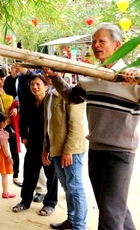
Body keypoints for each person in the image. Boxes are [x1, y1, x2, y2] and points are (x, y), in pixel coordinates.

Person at [44, 23, 140, 230]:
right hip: (96, 152)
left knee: (110, 217)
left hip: (120, 154)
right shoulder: (91, 76)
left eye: (101, 41)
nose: (96, 45)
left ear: (117, 45)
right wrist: (55, 78)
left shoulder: (132, 79)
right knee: (116, 211)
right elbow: (72, 96)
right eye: (93, 41)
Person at [42, 75, 87, 230]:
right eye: (46, 73)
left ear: (61, 74)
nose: (48, 76)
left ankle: (79, 226)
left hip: (70, 150)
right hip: (55, 149)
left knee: (75, 187)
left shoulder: (71, 93)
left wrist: (69, 151)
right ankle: (71, 220)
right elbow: (48, 126)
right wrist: (45, 148)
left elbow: (76, 125)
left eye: (52, 73)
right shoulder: (49, 96)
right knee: (67, 187)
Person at [12, 73, 58, 217]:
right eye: (32, 84)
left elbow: (57, 125)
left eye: (38, 84)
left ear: (46, 86)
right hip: (33, 143)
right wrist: (24, 137)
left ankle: (50, 203)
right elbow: (22, 121)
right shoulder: (28, 101)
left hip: (50, 145)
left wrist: (50, 147)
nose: (35, 87)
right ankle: (25, 201)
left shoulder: (51, 102)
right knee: (29, 173)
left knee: (52, 175)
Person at [5, 61, 48, 197]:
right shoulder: (19, 78)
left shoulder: (38, 73)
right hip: (29, 125)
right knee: (32, 162)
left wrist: (26, 72)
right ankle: (35, 190)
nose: (34, 87)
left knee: (47, 163)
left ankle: (43, 191)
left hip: (45, 124)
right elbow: (10, 92)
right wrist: (12, 76)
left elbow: (41, 81)